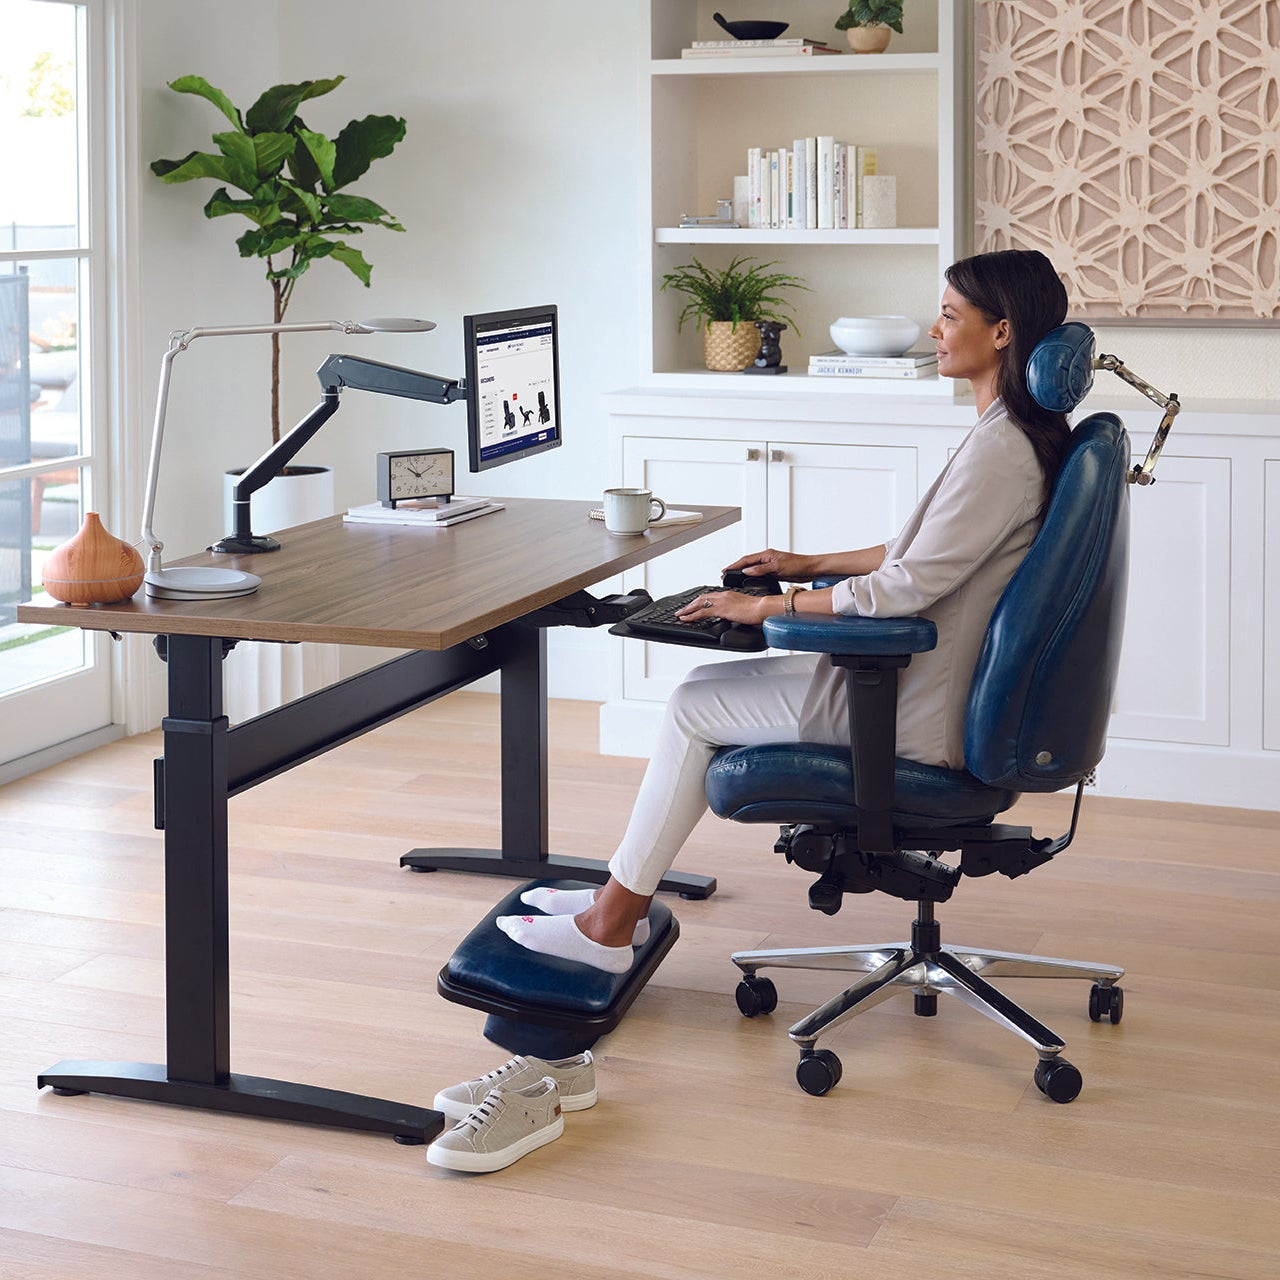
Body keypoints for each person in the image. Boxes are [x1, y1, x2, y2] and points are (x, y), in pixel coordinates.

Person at [498, 248, 1072, 974]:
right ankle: (612, 900)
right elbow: (922, 550)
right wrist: (810, 563)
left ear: (1001, 333)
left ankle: (609, 925)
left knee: (689, 705)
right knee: (700, 694)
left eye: (950, 315)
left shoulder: (1001, 452)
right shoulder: (1010, 439)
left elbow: (904, 589)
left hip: (915, 709)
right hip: (923, 682)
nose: (934, 328)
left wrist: (771, 605)